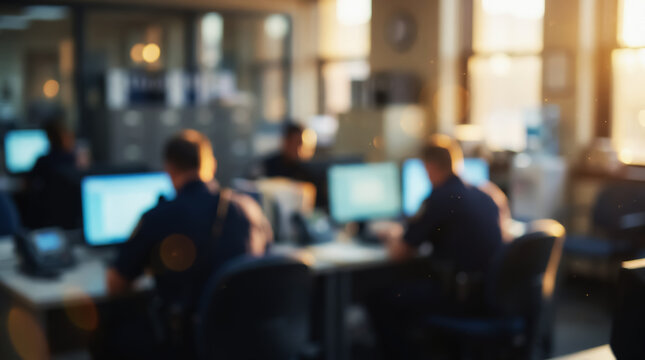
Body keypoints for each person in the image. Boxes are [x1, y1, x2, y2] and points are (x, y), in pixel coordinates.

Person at [101, 129, 272, 360]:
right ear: (211, 165)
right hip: (246, 339)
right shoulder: (249, 208)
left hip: (187, 342)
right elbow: (265, 260)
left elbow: (115, 284)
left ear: (169, 169)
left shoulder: (158, 216)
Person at [369, 139, 503, 359]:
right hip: (487, 295)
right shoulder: (484, 195)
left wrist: (388, 236)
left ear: (429, 167)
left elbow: (399, 254)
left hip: (458, 298)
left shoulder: (440, 197)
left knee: (379, 299)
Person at [26, 118, 80, 229]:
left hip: (45, 215)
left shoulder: (42, 161)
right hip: (67, 216)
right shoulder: (72, 159)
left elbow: (27, 184)